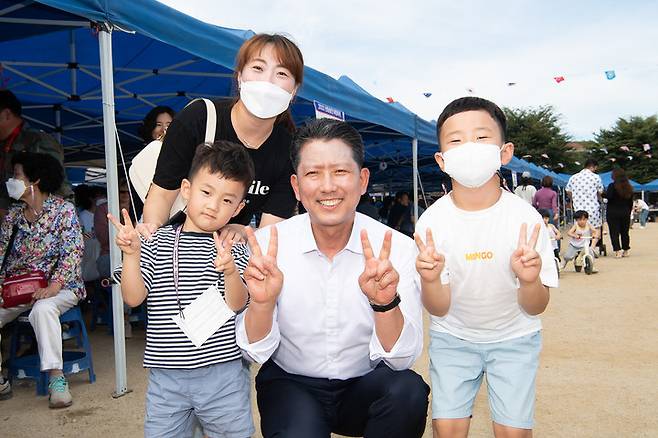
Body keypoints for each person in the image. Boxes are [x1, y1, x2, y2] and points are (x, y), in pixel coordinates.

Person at [236, 119, 429, 438]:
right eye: (313, 174)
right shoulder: (269, 245)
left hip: (364, 385)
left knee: (408, 391)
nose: (328, 187)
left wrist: (385, 305)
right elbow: (252, 352)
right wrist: (262, 302)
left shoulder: (395, 248)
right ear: (297, 186)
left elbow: (402, 358)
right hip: (291, 383)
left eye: (340, 172)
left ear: (362, 180)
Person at [414, 97, 558, 438]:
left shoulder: (526, 219)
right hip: (453, 338)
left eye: (481, 138)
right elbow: (438, 307)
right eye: (456, 140)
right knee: (447, 430)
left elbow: (536, 306)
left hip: (515, 338)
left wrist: (529, 280)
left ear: (504, 152)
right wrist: (431, 279)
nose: (469, 148)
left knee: (514, 433)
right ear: (441, 159)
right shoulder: (431, 222)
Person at [110, 141, 255, 437]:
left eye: (228, 200)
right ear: (186, 190)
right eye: (206, 192)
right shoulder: (155, 243)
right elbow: (133, 297)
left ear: (239, 207)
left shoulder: (236, 249)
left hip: (224, 374)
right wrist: (132, 255)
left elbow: (238, 303)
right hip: (167, 379)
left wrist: (229, 270)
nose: (214, 205)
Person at [141, 34, 304, 242]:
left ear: (294, 89)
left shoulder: (289, 150)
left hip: (228, 257)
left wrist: (245, 232)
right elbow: (162, 194)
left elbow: (270, 231)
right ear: (239, 76)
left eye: (281, 73)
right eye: (258, 68)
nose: (268, 81)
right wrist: (154, 237)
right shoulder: (199, 118)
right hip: (174, 244)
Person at [0, 152, 84, 408]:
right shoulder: (13, 217)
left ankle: (56, 380)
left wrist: (54, 286)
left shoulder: (63, 211)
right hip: (19, 289)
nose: (11, 181)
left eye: (16, 175)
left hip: (62, 286)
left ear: (34, 181)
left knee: (43, 309)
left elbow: (73, 251)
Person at [0, 89, 72, 217]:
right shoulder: (4, 144)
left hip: (44, 222)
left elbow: (56, 186)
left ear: (6, 114)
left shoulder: (38, 141)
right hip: (13, 220)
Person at [566, 159, 603, 250]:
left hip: (578, 208)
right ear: (593, 167)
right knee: (596, 228)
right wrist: (599, 198)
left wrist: (573, 198)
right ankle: (593, 247)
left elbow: (568, 190)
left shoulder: (573, 177)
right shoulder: (596, 177)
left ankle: (579, 247)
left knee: (579, 228)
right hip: (592, 208)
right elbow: (600, 191)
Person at [605, 168, 634, 258]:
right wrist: (628, 211)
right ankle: (626, 250)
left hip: (612, 212)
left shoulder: (612, 186)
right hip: (625, 212)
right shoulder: (629, 187)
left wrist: (601, 193)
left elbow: (608, 196)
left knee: (614, 232)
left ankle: (617, 251)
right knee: (625, 232)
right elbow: (631, 202)